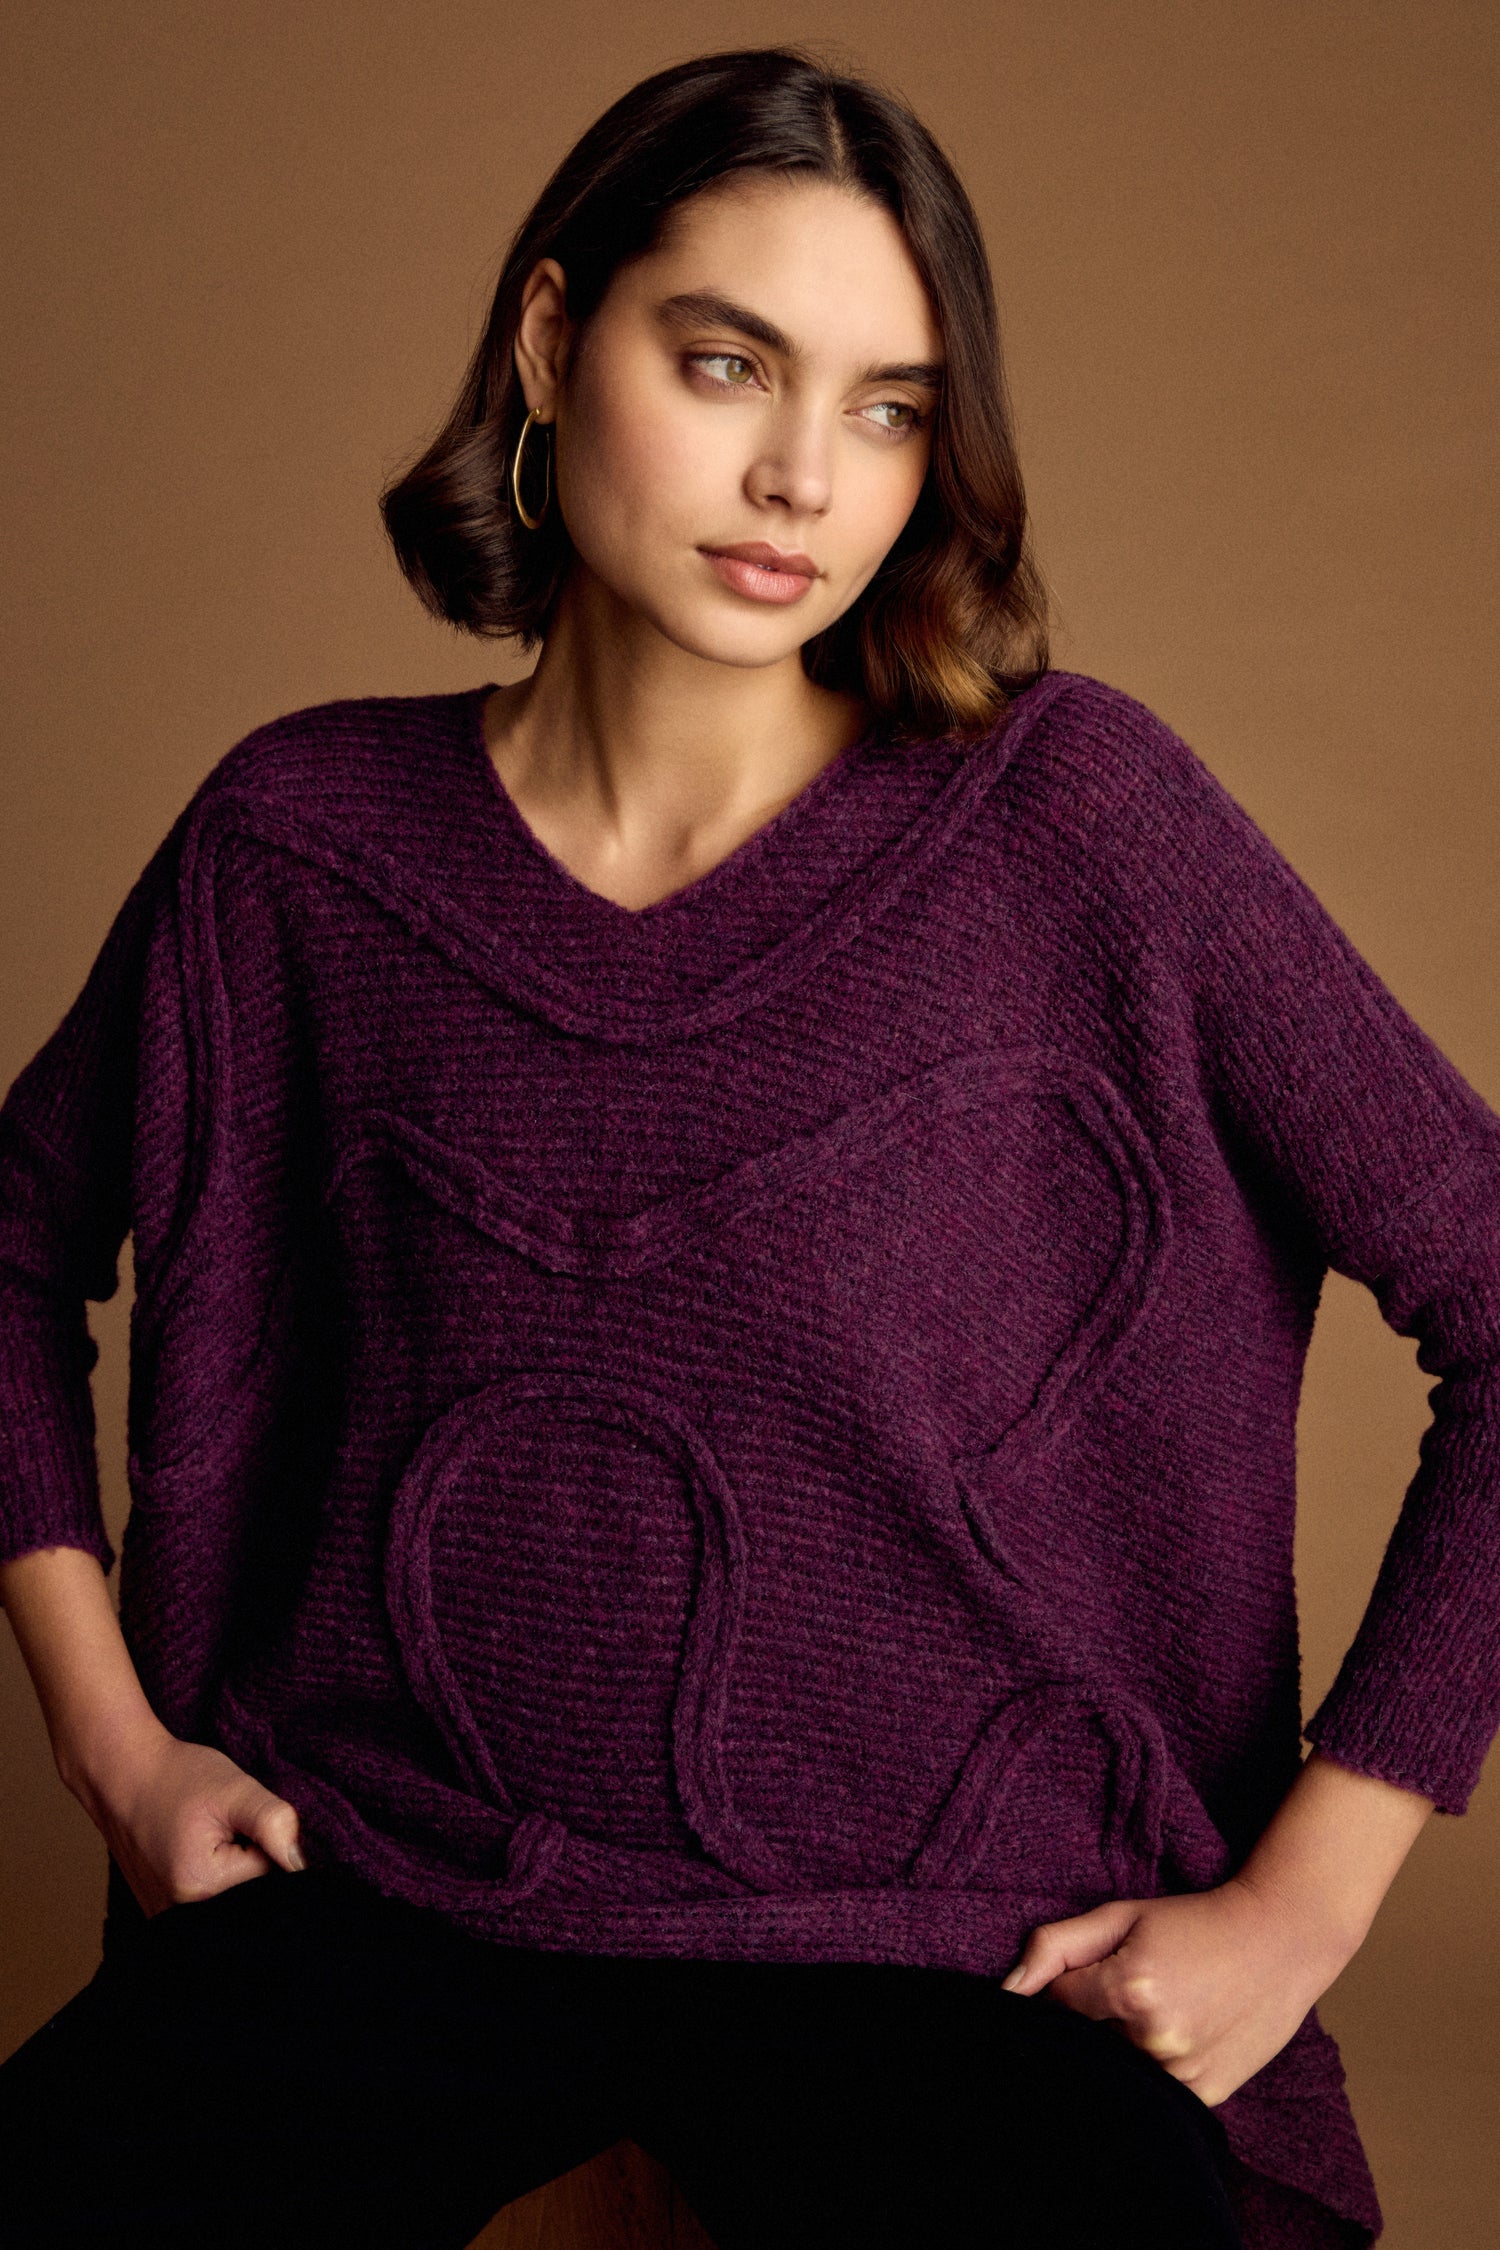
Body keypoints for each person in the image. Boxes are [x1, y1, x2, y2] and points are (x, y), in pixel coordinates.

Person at [0, 42, 1494, 2250]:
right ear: (549, 340)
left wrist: (1307, 1902)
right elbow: (10, 1245)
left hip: (957, 1950)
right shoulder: (300, 842)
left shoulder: (1080, 815)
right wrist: (115, 1752)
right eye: (727, 364)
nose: (802, 475)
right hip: (390, 1894)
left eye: (889, 410)